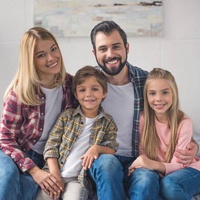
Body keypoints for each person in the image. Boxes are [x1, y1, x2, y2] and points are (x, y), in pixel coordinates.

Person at [88, 20, 199, 200]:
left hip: (137, 158)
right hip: (103, 157)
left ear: (127, 47)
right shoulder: (86, 84)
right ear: (94, 53)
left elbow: (170, 118)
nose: (110, 54)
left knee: (147, 177)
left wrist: (193, 145)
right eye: (103, 49)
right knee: (108, 165)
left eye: (116, 46)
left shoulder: (145, 81)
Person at [0, 27, 77, 200]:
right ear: (30, 60)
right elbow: (5, 138)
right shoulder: (19, 93)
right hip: (15, 151)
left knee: (32, 188)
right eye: (41, 55)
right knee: (8, 176)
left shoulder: (70, 86)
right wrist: (34, 171)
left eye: (53, 49)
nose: (51, 58)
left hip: (48, 157)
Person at [36, 65, 118, 200]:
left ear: (104, 92)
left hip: (78, 180)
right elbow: (51, 146)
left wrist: (96, 148)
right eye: (82, 90)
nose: (88, 94)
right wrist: (55, 174)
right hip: (53, 173)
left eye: (95, 89)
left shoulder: (107, 121)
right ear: (76, 94)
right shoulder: (66, 116)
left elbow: (112, 148)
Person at [128, 68, 200, 199]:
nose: (158, 99)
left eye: (165, 92)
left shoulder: (184, 123)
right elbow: (143, 154)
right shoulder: (143, 119)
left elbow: (179, 164)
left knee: (169, 184)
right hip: (164, 171)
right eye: (152, 93)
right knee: (150, 182)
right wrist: (144, 163)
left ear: (174, 94)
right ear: (146, 96)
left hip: (191, 170)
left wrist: (152, 164)